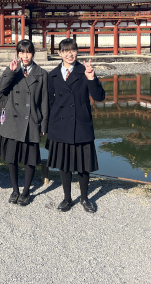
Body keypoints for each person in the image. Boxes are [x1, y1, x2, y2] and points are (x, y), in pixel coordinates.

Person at [46, 38, 105, 213]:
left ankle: (85, 198)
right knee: (64, 165)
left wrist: (91, 78)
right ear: (59, 53)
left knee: (83, 165)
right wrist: (49, 127)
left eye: (72, 50)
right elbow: (50, 102)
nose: (69, 54)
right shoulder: (53, 75)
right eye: (65, 51)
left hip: (81, 124)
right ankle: (67, 198)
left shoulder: (84, 71)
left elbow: (99, 97)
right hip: (60, 125)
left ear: (77, 51)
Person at [0, 39, 48, 206]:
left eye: (28, 52)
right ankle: (15, 190)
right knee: (12, 158)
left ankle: (26, 191)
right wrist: (10, 71)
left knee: (30, 159)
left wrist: (43, 125)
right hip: (12, 120)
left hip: (31, 120)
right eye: (22, 52)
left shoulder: (42, 73)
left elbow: (45, 102)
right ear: (17, 54)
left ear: (33, 53)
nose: (25, 56)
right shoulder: (13, 70)